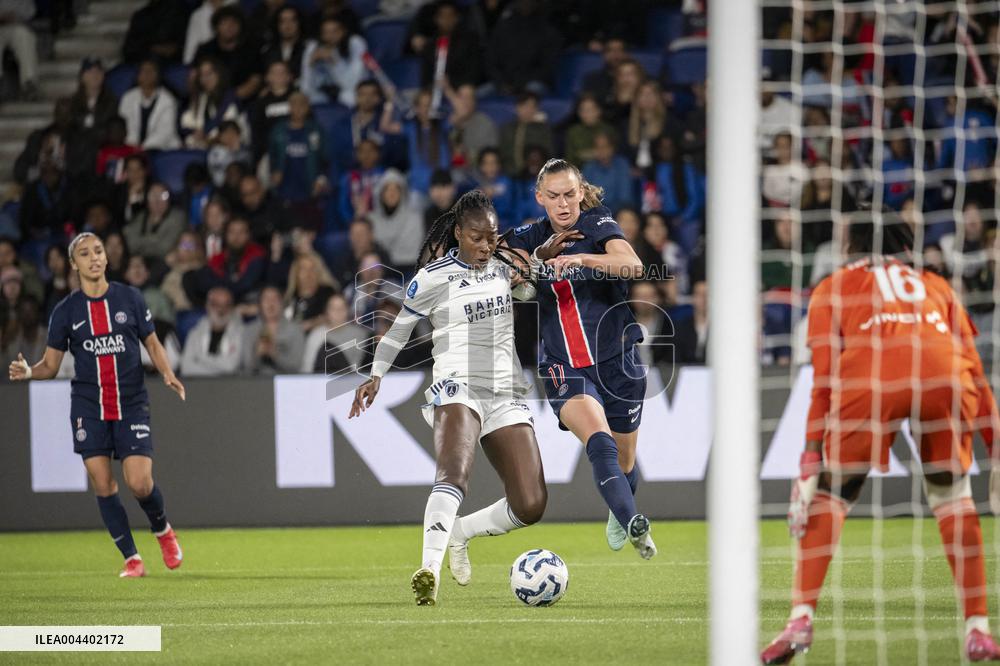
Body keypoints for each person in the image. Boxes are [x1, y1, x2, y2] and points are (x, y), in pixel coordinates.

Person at [760, 217, 1000, 664]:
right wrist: (997, 445)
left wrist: (811, 456)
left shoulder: (833, 287)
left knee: (831, 494)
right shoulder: (935, 284)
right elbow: (976, 370)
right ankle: (978, 630)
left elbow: (824, 383)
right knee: (953, 497)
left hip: (872, 379)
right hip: (945, 378)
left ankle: (800, 620)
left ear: (851, 244)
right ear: (904, 244)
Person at [349, 190, 547, 605]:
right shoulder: (433, 277)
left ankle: (459, 532)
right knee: (454, 473)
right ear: (458, 233)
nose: (486, 246)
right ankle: (429, 570)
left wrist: (531, 275)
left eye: (491, 237)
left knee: (531, 504)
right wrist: (376, 374)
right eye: (477, 238)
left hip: (506, 388)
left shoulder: (502, 265)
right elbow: (400, 329)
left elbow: (528, 293)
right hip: (458, 383)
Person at [7, 232, 185, 578]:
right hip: (89, 406)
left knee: (140, 483)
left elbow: (152, 342)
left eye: (99, 251)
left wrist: (168, 373)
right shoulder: (65, 311)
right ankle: (132, 559)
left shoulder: (129, 298)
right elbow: (51, 366)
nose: (94, 258)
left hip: (130, 402)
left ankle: (163, 530)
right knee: (103, 484)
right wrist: (29, 371)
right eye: (85, 254)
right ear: (74, 264)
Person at [503, 158, 656, 559]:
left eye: (570, 194)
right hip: (563, 364)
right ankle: (635, 522)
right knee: (599, 441)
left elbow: (632, 264)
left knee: (624, 461)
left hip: (618, 359)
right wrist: (533, 260)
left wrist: (583, 259)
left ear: (581, 192)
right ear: (540, 197)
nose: (563, 203)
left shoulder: (597, 224)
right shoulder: (531, 235)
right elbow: (500, 267)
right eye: (553, 196)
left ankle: (620, 506)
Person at [300, 15, 366, 107]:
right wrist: (310, 65)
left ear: (344, 31)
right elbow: (306, 87)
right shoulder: (314, 46)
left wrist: (335, 62)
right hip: (324, 92)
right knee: (303, 99)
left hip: (351, 89)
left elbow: (352, 84)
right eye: (326, 32)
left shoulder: (355, 43)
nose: (330, 36)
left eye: (335, 31)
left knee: (348, 97)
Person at [179, 285, 245, 376]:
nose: (221, 310)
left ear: (232, 308)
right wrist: (220, 371)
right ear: (207, 306)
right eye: (216, 304)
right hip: (199, 383)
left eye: (226, 305)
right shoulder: (195, 333)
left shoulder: (241, 332)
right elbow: (186, 368)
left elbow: (231, 366)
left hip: (231, 384)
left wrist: (200, 357)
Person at [119, 59, 182, 151]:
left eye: (151, 71)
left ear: (157, 75)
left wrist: (143, 148)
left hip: (161, 148)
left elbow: (164, 133)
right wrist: (133, 147)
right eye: (143, 71)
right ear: (138, 75)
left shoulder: (168, 100)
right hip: (132, 149)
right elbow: (125, 127)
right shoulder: (128, 98)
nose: (147, 74)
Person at [241, 285, 304, 375]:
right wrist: (257, 355)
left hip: (284, 381)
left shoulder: (295, 330)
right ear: (260, 304)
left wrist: (276, 355)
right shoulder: (249, 330)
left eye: (275, 299)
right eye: (266, 299)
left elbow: (296, 366)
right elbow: (246, 367)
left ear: (282, 303)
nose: (270, 303)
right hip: (256, 381)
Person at [123, 183, 188, 265]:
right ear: (147, 200)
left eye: (162, 196)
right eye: (153, 196)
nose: (157, 201)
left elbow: (165, 247)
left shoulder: (178, 217)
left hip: (165, 263)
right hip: (140, 262)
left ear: (169, 199)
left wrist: (141, 243)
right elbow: (129, 243)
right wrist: (155, 239)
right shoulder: (141, 217)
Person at [0, 0, 40, 100]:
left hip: (17, 25)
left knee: (24, 36)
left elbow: (30, 13)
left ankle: (29, 83)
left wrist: (13, 17)